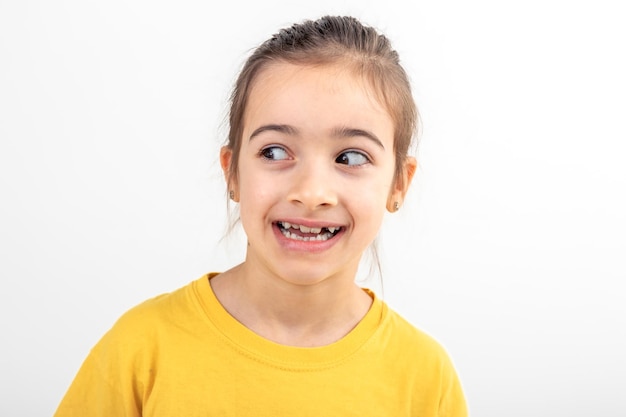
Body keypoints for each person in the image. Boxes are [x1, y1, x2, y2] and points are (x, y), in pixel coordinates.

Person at [55, 15, 468, 416]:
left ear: (399, 183)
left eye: (351, 157)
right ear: (231, 172)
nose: (311, 193)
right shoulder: (141, 349)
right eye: (274, 152)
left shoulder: (425, 377)